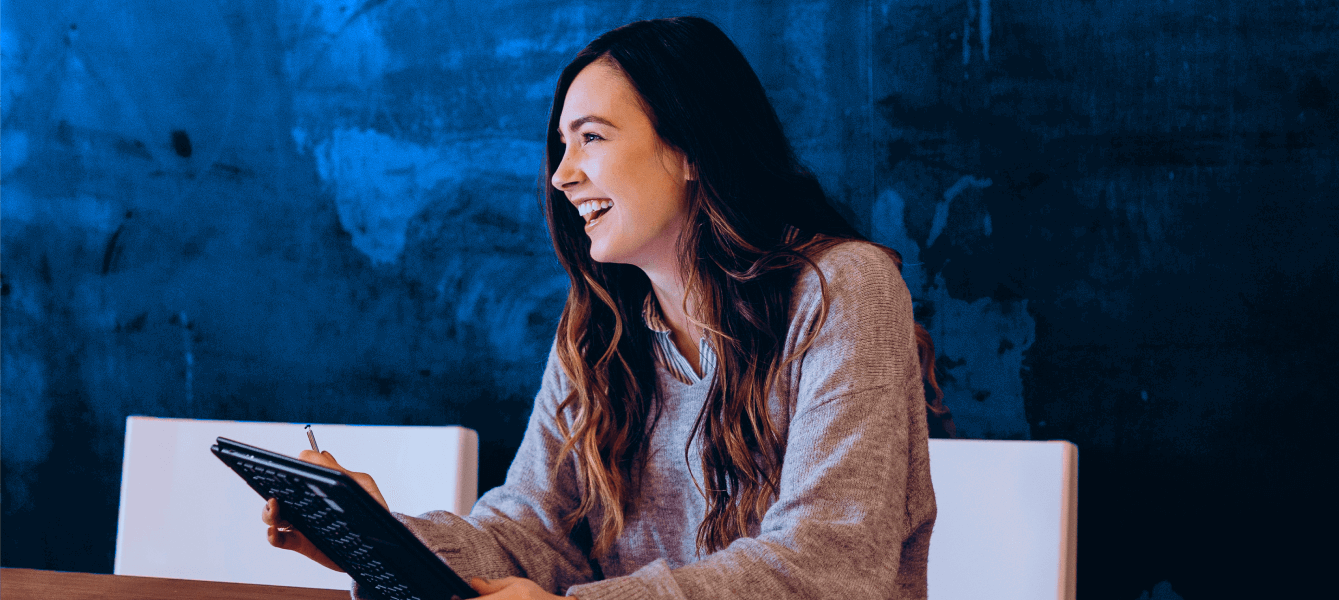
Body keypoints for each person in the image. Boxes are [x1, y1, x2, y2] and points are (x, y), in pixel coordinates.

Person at [262, 16, 956, 600]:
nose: (562, 175)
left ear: (691, 149)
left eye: (591, 137)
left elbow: (828, 564)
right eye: (562, 146)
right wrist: (375, 536)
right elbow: (528, 536)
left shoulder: (843, 289)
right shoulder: (599, 329)